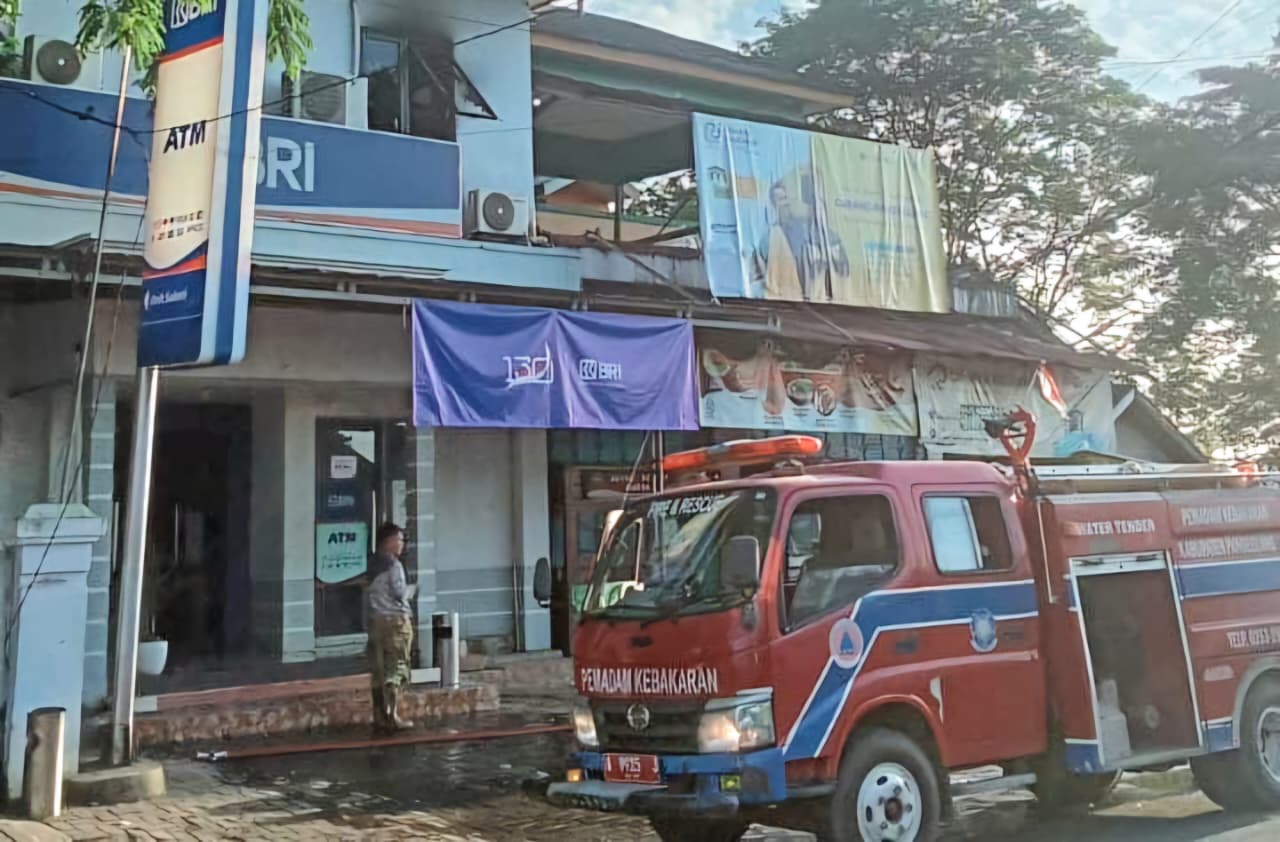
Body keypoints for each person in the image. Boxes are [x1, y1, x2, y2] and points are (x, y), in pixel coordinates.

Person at [751, 175, 850, 301]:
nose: (784, 204)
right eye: (779, 200)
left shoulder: (829, 237)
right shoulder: (769, 239)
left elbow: (844, 271)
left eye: (786, 199)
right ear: (773, 206)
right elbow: (756, 278)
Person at [366, 522, 416, 733]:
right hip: (396, 622)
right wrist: (411, 591)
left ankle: (379, 715)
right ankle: (392, 715)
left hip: (376, 621)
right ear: (388, 542)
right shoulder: (394, 565)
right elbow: (399, 593)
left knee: (378, 671)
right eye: (400, 539)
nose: (402, 544)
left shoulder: (372, 564)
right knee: (396, 668)